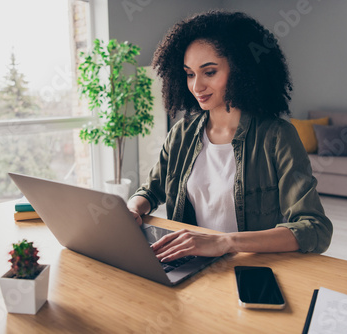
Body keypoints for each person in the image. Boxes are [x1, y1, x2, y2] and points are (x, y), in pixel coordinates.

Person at [127, 10, 333, 263]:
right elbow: (151, 190)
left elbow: (315, 228)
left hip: (251, 266)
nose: (196, 86)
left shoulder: (276, 136)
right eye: (190, 74)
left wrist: (225, 242)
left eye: (209, 72)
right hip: (192, 266)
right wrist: (133, 208)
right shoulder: (181, 133)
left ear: (241, 70)